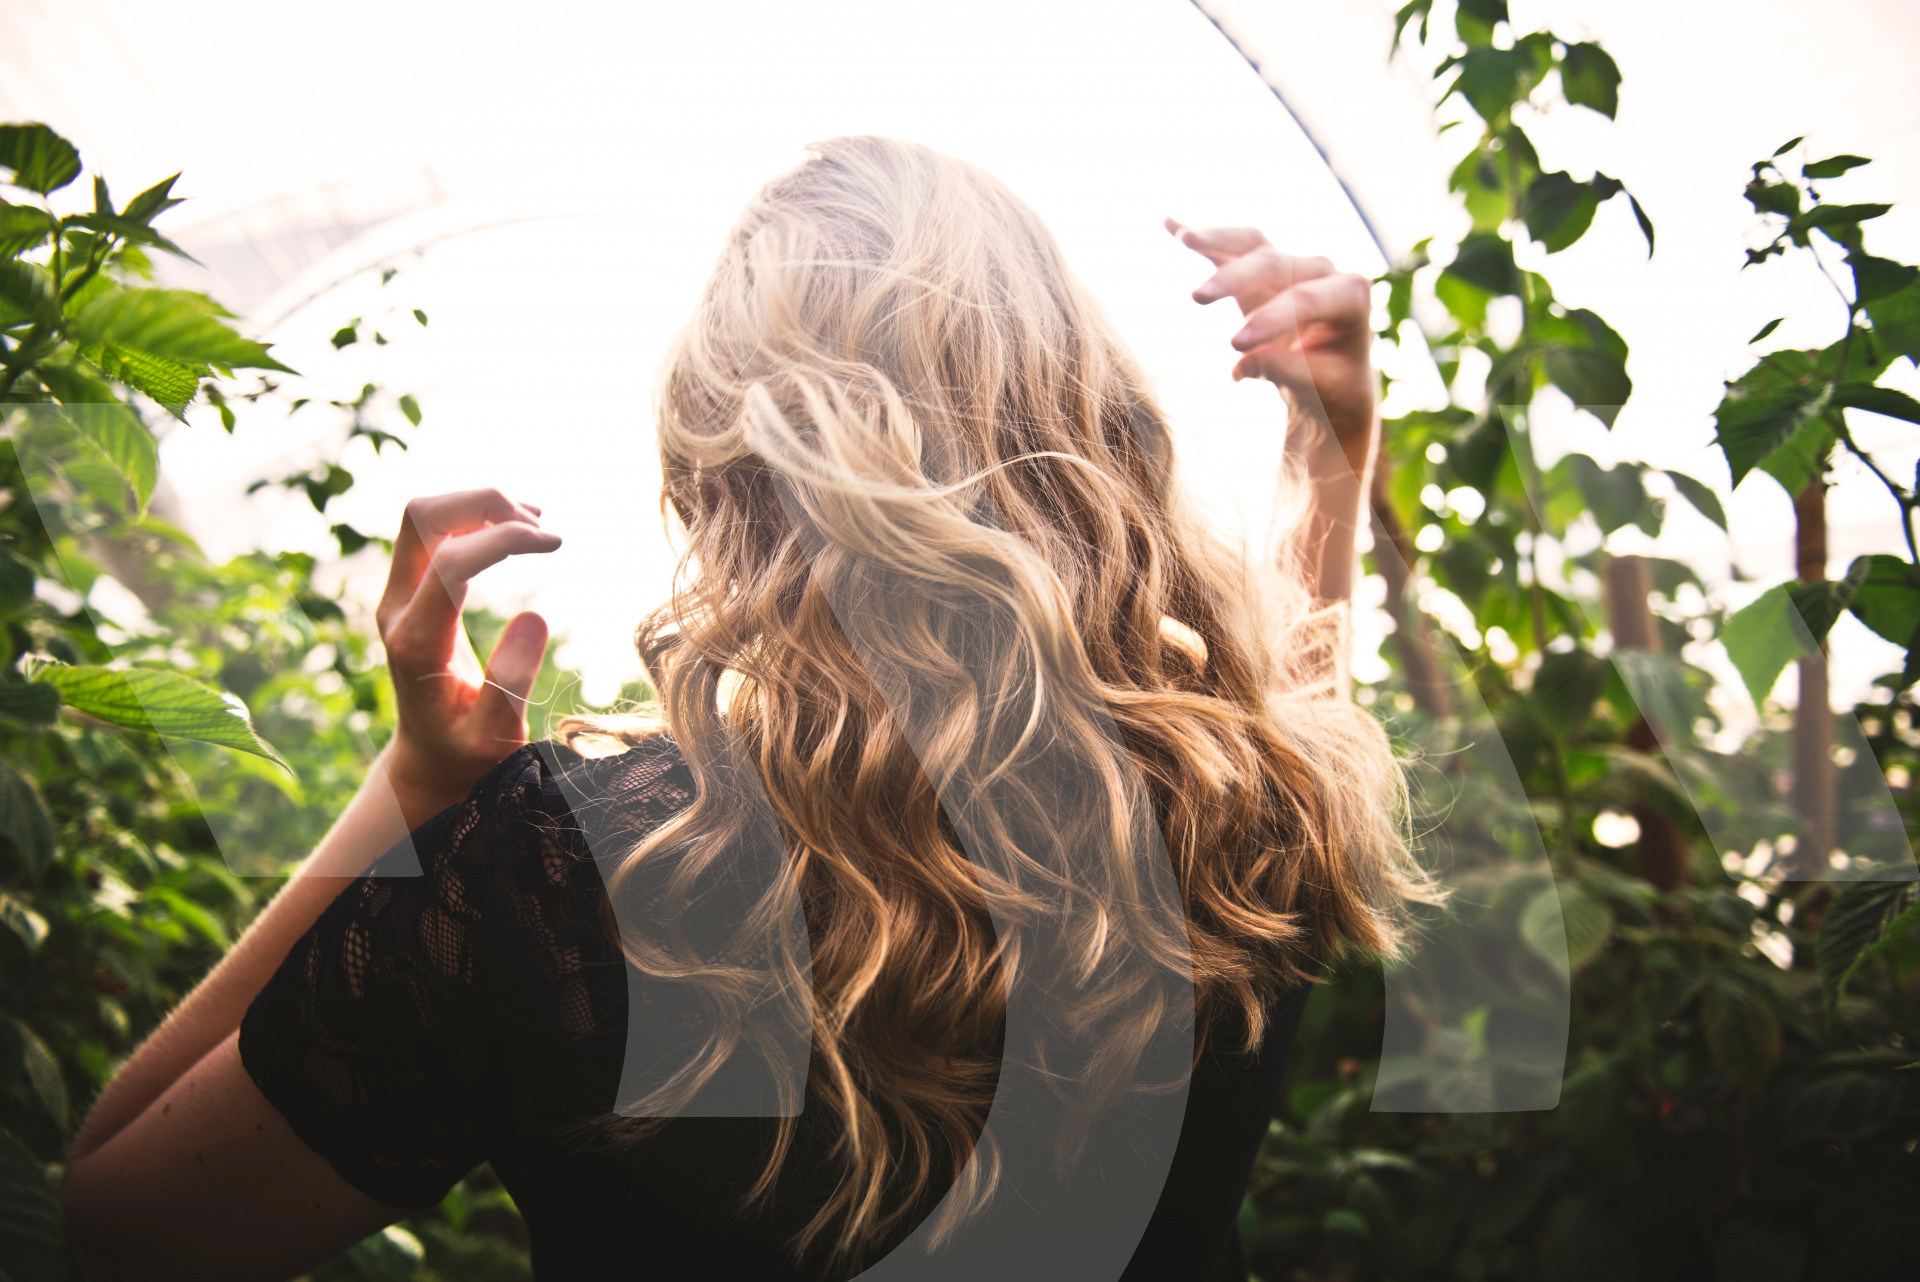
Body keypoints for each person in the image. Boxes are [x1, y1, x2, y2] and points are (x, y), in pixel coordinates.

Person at [59, 136, 1420, 1281]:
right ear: (1079, 417)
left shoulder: (564, 881)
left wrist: (414, 790)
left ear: (725, 473)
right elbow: (1296, 712)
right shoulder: (1247, 815)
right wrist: (1330, 453)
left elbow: (117, 1218)